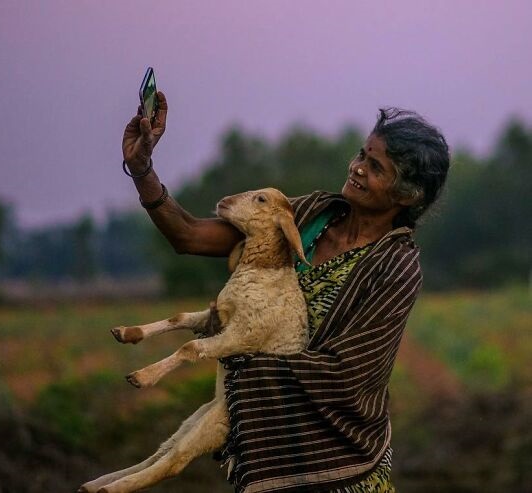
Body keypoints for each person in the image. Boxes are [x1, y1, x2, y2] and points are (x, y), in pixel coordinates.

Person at [121, 91, 450, 492]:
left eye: (376, 167)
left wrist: (238, 352)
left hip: (337, 469)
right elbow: (189, 236)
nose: (358, 168)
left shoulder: (396, 266)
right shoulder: (308, 215)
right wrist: (142, 169)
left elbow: (349, 375)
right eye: (362, 155)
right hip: (276, 444)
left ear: (407, 195)